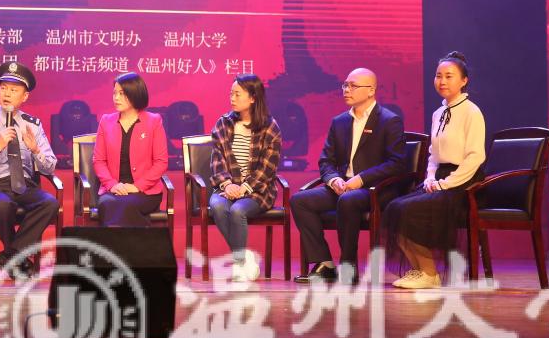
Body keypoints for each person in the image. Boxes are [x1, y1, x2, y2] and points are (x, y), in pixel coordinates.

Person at [290, 67, 406, 285]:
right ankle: (325, 263)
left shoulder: (389, 121)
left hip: (375, 189)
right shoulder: (340, 122)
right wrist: (334, 179)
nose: (346, 90)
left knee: (348, 200)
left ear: (371, 90)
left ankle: (348, 267)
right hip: (343, 186)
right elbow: (326, 161)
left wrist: (360, 179)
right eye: (345, 85)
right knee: (300, 201)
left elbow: (396, 164)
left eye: (353, 86)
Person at [385, 51, 485, 289]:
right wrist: (430, 178)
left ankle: (429, 272)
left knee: (409, 210)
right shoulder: (438, 114)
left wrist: (445, 183)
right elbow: (433, 155)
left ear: (464, 80)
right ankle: (420, 269)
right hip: (439, 180)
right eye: (438, 76)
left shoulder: (471, 112)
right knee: (393, 208)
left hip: (464, 183)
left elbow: (475, 157)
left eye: (449, 76)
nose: (442, 81)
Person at [0, 62, 59, 278]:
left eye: (14, 90)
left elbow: (50, 166)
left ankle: (10, 256)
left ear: (25, 96)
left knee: (50, 203)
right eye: (3, 88)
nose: (7, 94)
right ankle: (17, 259)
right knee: (2, 205)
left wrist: (35, 150)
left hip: (24, 185)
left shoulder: (33, 125)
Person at [208, 74, 283, 281]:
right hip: (226, 187)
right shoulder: (224, 123)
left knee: (238, 210)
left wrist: (245, 188)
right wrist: (227, 184)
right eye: (231, 93)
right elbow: (217, 159)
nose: (232, 98)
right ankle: (243, 259)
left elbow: (268, 167)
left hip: (258, 191)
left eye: (237, 94)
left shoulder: (270, 127)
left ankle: (239, 262)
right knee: (218, 207)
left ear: (252, 97)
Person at [91, 72, 169, 227]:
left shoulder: (153, 121)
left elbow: (161, 162)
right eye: (114, 93)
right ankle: (143, 241)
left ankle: (117, 243)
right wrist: (113, 185)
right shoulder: (106, 121)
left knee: (125, 206)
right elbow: (99, 161)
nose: (116, 98)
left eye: (122, 93)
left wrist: (136, 186)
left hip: (145, 191)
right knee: (108, 204)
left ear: (135, 94)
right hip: (113, 190)